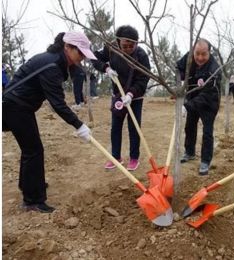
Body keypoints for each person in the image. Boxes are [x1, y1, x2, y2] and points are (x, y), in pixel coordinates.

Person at [2, 31, 96, 213]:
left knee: (31, 149)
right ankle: (32, 200)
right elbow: (58, 104)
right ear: (67, 47)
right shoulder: (52, 65)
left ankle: (30, 185)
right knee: (33, 150)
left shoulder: (57, 60)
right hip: (14, 107)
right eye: (81, 53)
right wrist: (79, 125)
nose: (83, 58)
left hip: (20, 106)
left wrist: (105, 67)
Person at [92, 25, 150, 171]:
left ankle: (134, 158)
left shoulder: (141, 55)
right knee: (115, 127)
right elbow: (95, 58)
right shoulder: (111, 48)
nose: (128, 49)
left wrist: (131, 94)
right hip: (117, 94)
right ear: (118, 42)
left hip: (134, 97)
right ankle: (115, 157)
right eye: (125, 45)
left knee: (134, 127)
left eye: (132, 45)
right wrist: (106, 68)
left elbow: (144, 79)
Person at [177, 38, 222, 175]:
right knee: (190, 126)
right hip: (192, 96)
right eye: (197, 53)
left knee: (207, 131)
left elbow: (207, 95)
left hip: (209, 102)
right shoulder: (188, 57)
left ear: (209, 53)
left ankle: (205, 161)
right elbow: (178, 68)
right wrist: (179, 84)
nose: (200, 58)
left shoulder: (214, 70)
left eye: (204, 54)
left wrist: (187, 106)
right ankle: (189, 152)